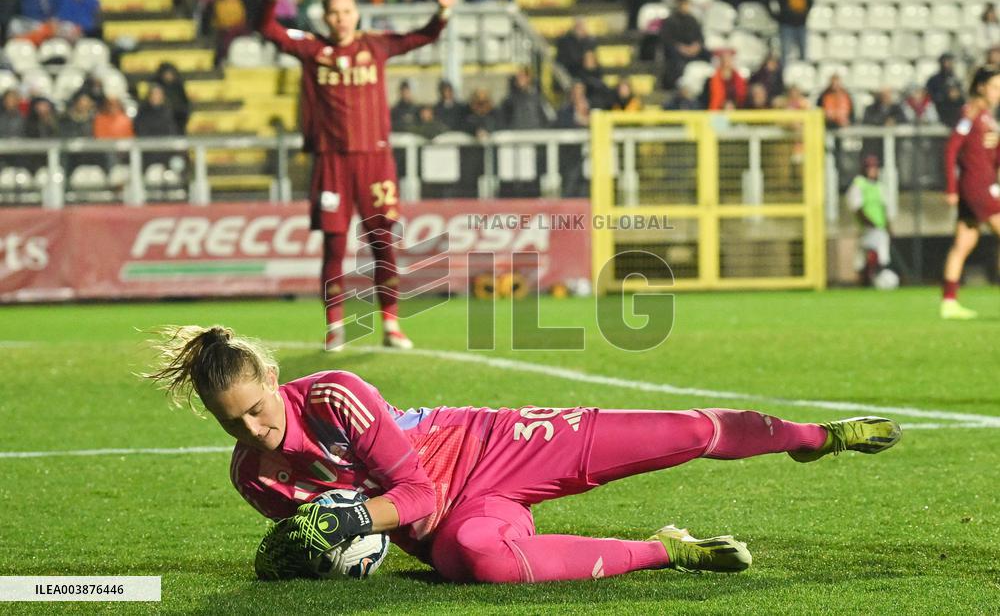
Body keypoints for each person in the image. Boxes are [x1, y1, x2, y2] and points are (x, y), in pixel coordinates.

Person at [144, 325, 902, 583]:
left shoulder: (335, 395)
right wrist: (301, 555)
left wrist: (349, 522)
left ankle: (816, 438)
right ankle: (668, 550)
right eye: (231, 423)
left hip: (490, 446)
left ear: (273, 378)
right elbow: (369, 533)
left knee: (679, 434)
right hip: (446, 525)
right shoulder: (255, 478)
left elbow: (409, 491)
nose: (253, 431)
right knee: (482, 563)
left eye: (257, 409)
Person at [257, 0, 459, 352]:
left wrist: (443, 11)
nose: (342, 19)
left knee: (383, 242)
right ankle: (335, 327)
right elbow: (267, 28)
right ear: (325, 17)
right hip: (331, 162)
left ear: (357, 14)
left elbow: (423, 36)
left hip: (375, 160)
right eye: (334, 13)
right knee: (334, 246)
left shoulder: (376, 46)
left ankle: (391, 324)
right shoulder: (313, 49)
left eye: (347, 11)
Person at [940, 65, 1000, 320]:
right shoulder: (972, 112)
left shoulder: (986, 117)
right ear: (981, 87)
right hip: (978, 188)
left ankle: (949, 302)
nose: (998, 92)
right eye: (995, 87)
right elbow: (952, 148)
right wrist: (950, 187)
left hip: (980, 186)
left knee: (963, 243)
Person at [846, 155, 893, 286]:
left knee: (868, 251)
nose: (873, 171)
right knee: (877, 247)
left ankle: (872, 276)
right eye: (870, 168)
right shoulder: (859, 184)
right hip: (867, 227)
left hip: (878, 226)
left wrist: (887, 225)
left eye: (875, 168)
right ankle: (875, 274)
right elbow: (857, 208)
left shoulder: (879, 185)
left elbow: (884, 207)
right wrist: (868, 223)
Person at [659, 0, 709, 90]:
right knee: (676, 61)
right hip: (677, 51)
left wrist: (696, 46)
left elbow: (700, 37)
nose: (685, 7)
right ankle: (677, 86)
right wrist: (681, 48)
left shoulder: (692, 20)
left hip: (693, 50)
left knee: (708, 55)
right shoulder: (670, 21)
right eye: (683, 4)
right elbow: (667, 40)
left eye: (687, 4)